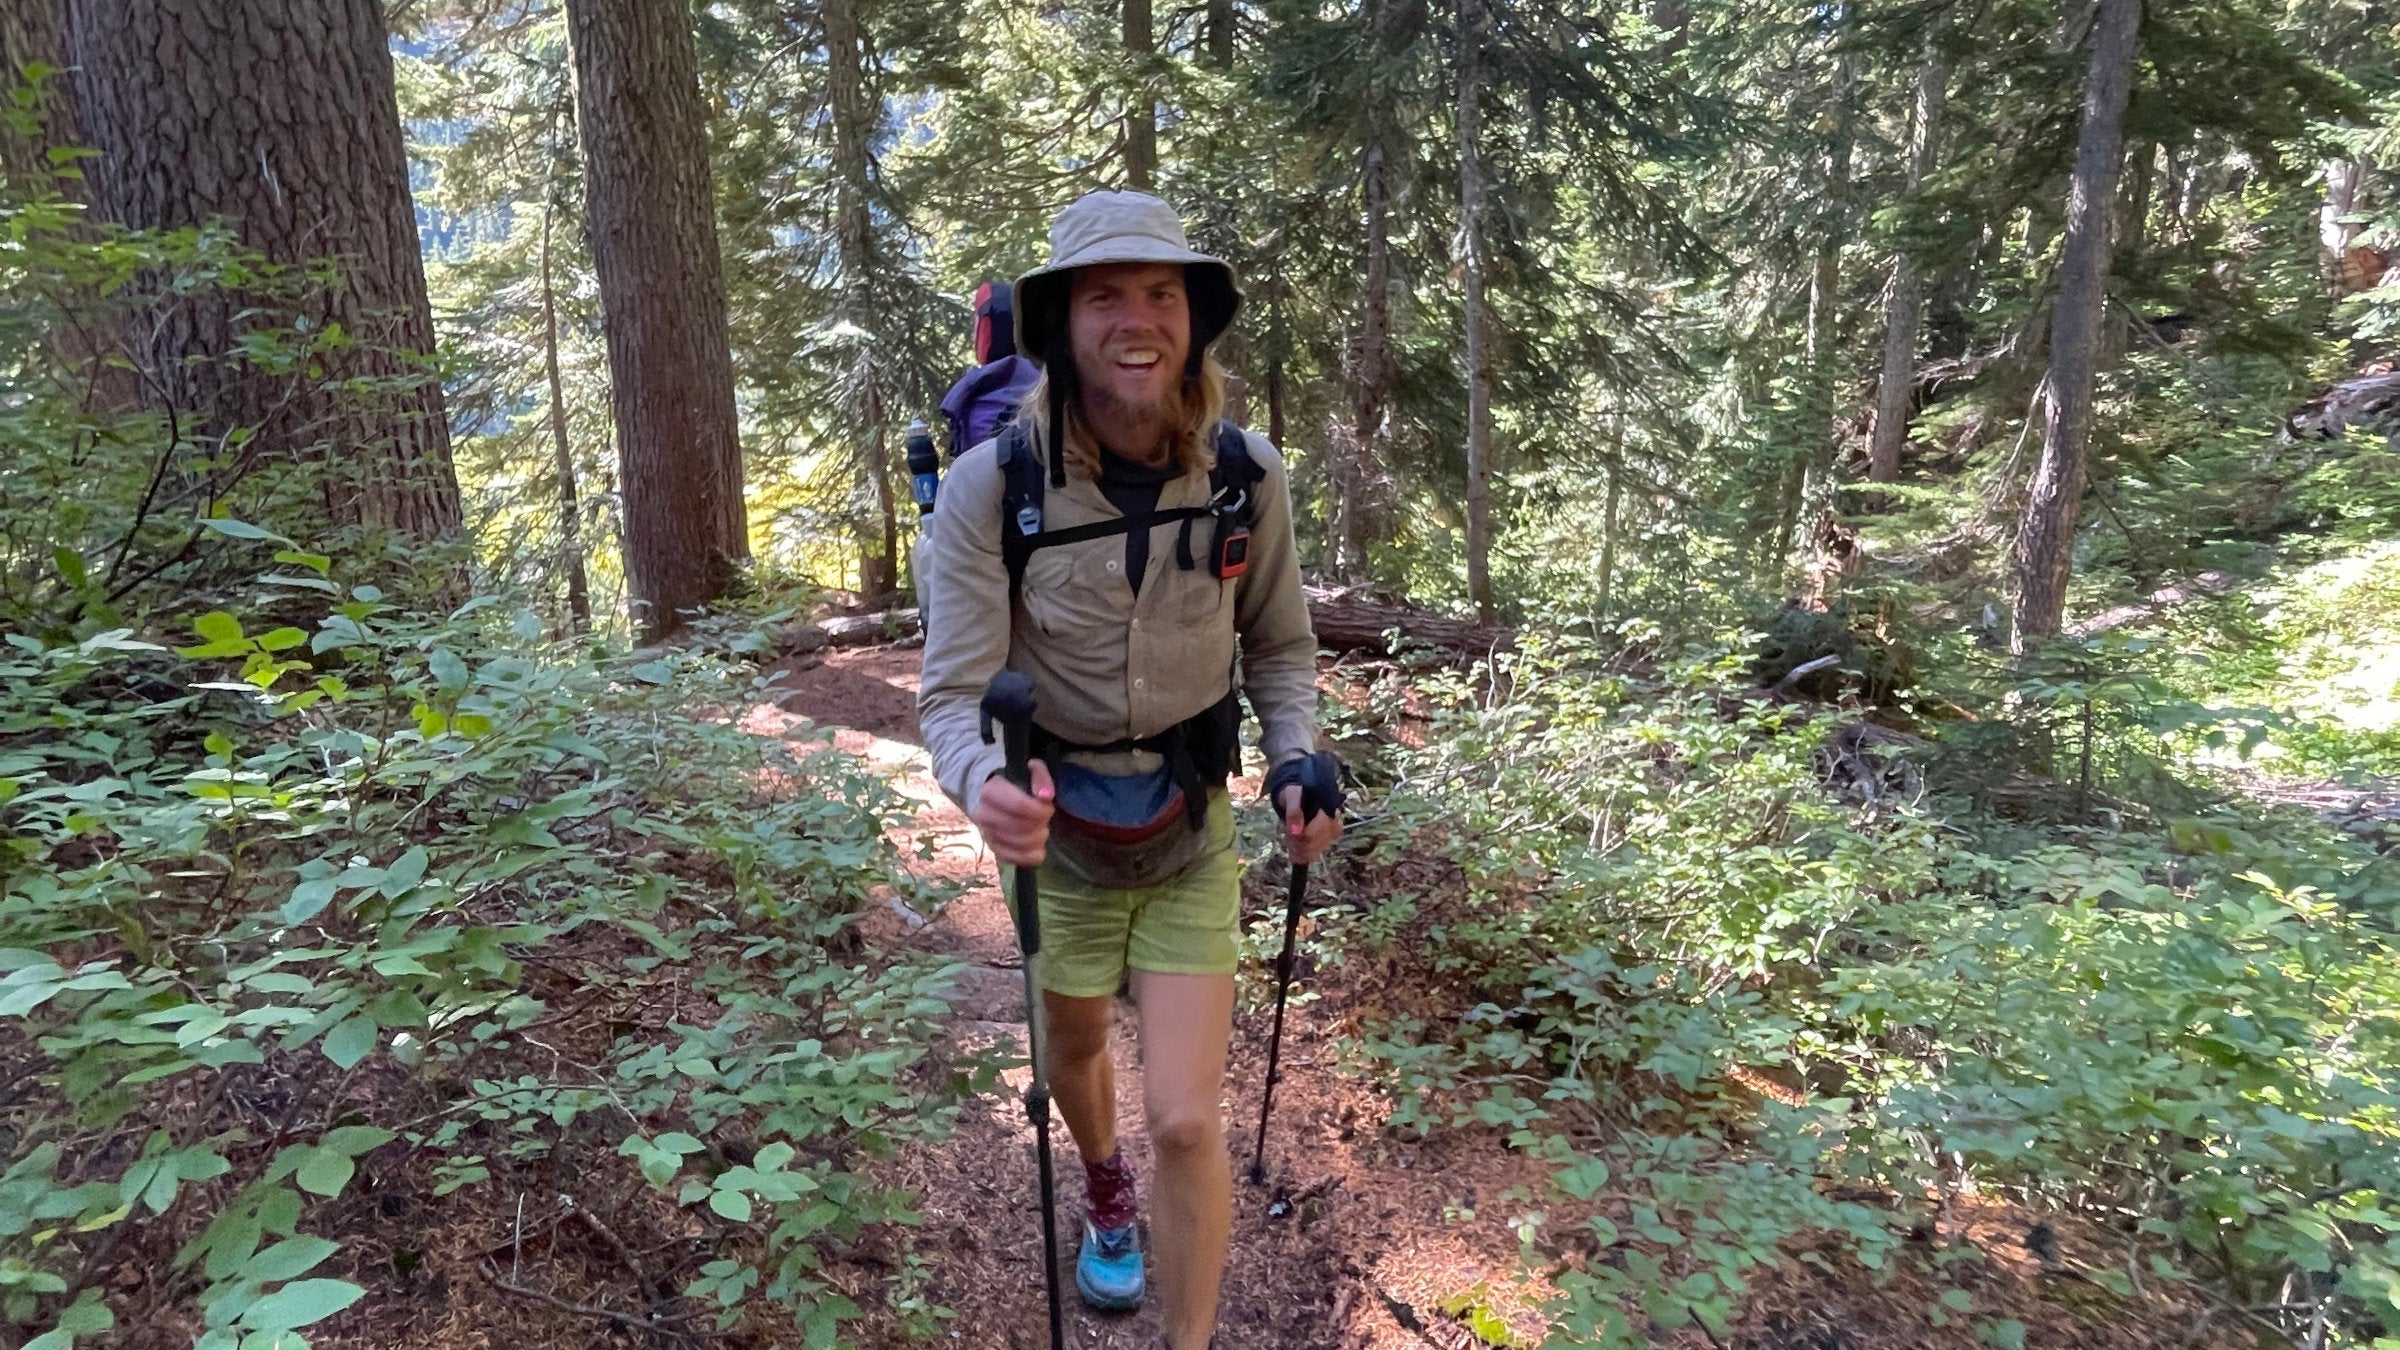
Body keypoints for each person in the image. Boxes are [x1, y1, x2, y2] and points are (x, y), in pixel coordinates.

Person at [916, 189, 1339, 1350]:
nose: (1138, 319)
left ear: (1194, 321)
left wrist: (1296, 759)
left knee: (1188, 1122)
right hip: (1059, 851)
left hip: (1191, 830)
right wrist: (981, 784)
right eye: (1105, 296)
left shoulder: (1249, 476)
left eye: (1162, 294)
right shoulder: (993, 489)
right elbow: (951, 695)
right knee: (1073, 1057)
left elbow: (1281, 650)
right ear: (1062, 326)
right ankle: (1106, 1187)